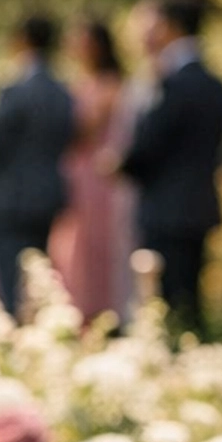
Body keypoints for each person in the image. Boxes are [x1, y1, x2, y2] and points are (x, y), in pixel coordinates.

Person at [118, 0, 222, 332]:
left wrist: (121, 166)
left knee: (171, 304)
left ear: (172, 26)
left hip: (167, 210)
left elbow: (151, 144)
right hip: (199, 206)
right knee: (191, 299)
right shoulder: (215, 85)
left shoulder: (171, 84)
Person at [0, 12, 76, 316]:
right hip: (48, 193)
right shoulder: (63, 91)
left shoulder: (13, 89)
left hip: (12, 195)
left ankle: (18, 336)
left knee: (12, 274)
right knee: (39, 268)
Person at [49, 17, 136, 322]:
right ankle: (76, 311)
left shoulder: (111, 85)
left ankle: (102, 312)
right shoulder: (77, 83)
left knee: (98, 245)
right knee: (73, 245)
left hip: (98, 179)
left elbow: (85, 129)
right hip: (75, 173)